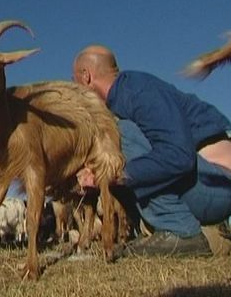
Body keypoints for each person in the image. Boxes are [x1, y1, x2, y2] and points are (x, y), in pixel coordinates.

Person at [72, 45, 231, 257]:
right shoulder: (125, 97)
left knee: (117, 134)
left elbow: (179, 157)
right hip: (205, 188)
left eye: (75, 84)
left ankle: (181, 232)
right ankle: (190, 231)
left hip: (219, 184)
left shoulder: (137, 90)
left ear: (86, 77)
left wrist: (111, 174)